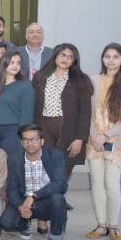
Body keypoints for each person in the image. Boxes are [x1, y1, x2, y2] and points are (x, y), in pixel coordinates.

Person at [86, 43, 121, 240]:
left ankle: (113, 225)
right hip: (95, 141)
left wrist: (106, 136)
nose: (110, 60)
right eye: (107, 56)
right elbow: (89, 114)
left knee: (111, 183)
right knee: (97, 183)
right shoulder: (94, 81)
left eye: (115, 56)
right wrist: (95, 137)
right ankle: (101, 225)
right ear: (102, 59)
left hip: (117, 141)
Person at [0, 124, 69, 240]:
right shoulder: (15, 159)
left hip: (45, 201)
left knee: (58, 199)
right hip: (24, 201)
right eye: (25, 139)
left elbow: (61, 184)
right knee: (6, 223)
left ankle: (56, 237)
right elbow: (12, 189)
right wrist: (21, 207)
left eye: (34, 139)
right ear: (21, 142)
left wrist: (34, 196)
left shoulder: (55, 156)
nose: (30, 143)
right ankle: (25, 223)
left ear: (42, 141)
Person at [32, 43, 93, 180]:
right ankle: (48, 200)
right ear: (55, 56)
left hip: (68, 130)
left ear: (74, 61)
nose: (65, 59)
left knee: (63, 171)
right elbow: (34, 106)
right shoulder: (40, 77)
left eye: (70, 57)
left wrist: (80, 139)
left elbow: (85, 113)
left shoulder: (80, 80)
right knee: (45, 168)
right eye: (63, 55)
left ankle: (58, 200)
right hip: (44, 127)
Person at [0, 49, 34, 155]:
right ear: (4, 63)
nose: (15, 66)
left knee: (13, 165)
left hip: (13, 131)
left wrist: (23, 135)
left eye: (18, 63)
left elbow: (27, 113)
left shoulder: (25, 85)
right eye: (12, 62)